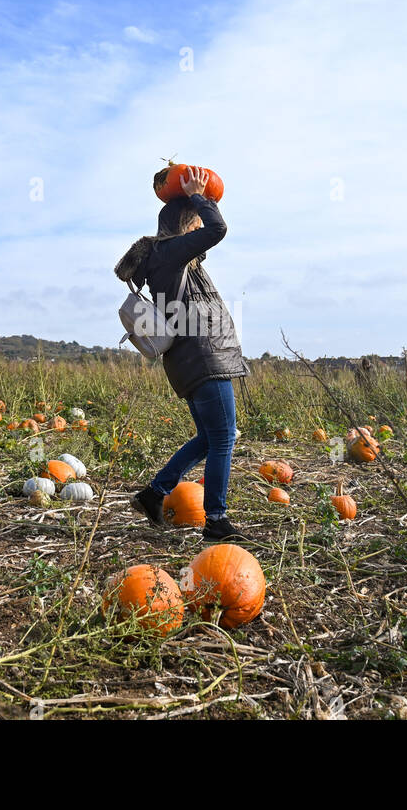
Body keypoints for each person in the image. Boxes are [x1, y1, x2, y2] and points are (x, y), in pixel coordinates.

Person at [114, 166, 249, 541]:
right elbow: (217, 230)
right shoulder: (169, 254)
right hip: (203, 358)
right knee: (224, 438)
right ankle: (217, 521)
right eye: (195, 223)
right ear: (188, 224)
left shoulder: (175, 261)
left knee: (210, 437)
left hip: (195, 359)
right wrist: (198, 196)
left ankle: (153, 494)